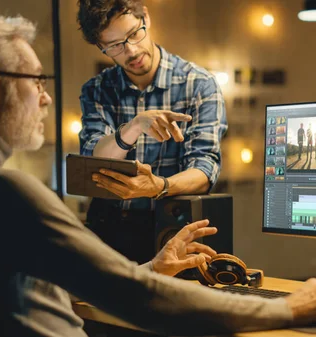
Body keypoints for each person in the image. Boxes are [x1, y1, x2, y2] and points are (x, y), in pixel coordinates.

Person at [0, 12, 316, 337]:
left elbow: (36, 287)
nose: (44, 99)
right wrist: (287, 307)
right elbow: (140, 299)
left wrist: (151, 268)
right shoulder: (1, 190)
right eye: (35, 82)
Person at [78, 0, 227, 264]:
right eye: (114, 46)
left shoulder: (199, 85)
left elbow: (205, 169)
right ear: (101, 48)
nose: (131, 51)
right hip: (107, 229)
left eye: (134, 34)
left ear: (145, 16)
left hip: (172, 227)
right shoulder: (97, 89)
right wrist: (134, 127)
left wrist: (158, 186)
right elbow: (94, 158)